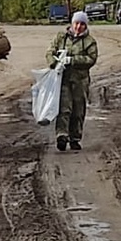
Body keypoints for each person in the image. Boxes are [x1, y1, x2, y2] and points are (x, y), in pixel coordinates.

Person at [46, 10, 98, 152]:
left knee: (78, 110)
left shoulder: (89, 42)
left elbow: (91, 59)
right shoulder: (61, 37)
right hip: (63, 78)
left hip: (80, 80)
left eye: (82, 24)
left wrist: (72, 60)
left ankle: (75, 138)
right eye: (76, 23)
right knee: (64, 108)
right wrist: (54, 63)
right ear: (72, 23)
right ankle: (62, 136)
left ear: (86, 25)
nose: (78, 26)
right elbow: (50, 52)